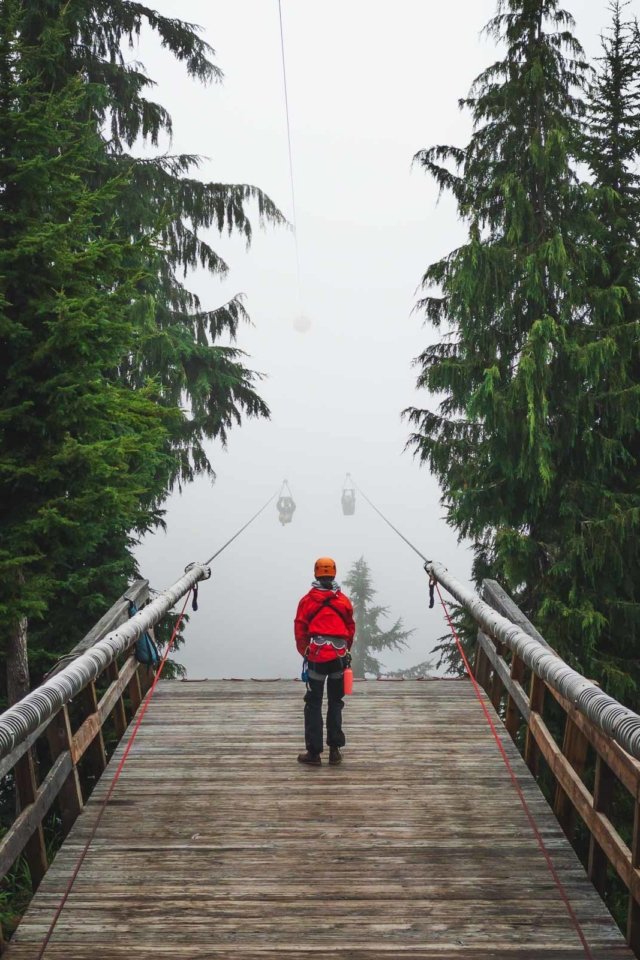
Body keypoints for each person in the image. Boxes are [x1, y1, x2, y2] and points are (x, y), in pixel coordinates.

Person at [294, 557, 355, 766]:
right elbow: (350, 627)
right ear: (334, 573)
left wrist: (305, 651)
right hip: (339, 656)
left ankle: (314, 753)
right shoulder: (343, 600)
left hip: (317, 657)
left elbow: (300, 628)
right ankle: (334, 751)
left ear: (315, 574)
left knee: (313, 704)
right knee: (335, 703)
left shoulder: (307, 600)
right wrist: (346, 650)